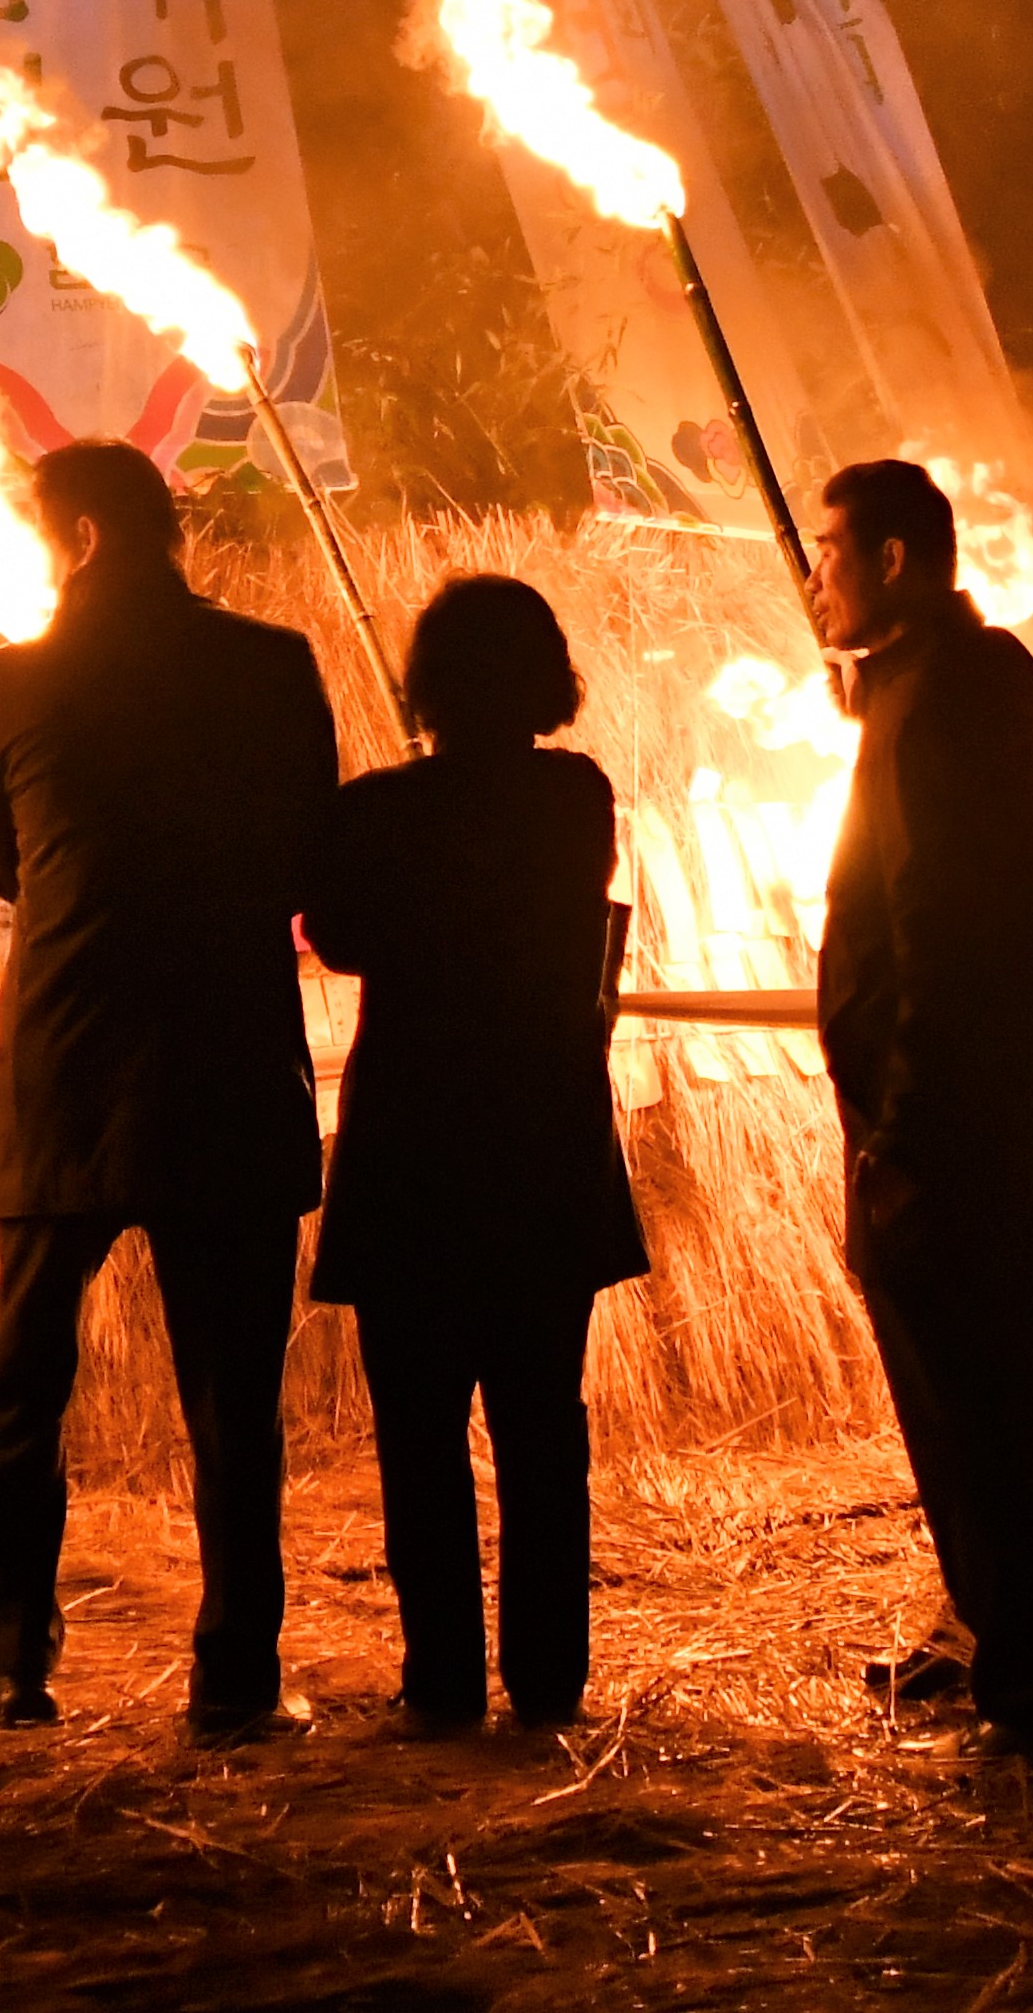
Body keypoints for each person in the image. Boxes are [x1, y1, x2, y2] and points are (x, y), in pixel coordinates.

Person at [0, 440, 343, 1736]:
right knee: (233, 1394)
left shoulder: (17, 682)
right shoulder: (269, 666)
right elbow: (312, 852)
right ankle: (236, 1671)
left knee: (25, 1386)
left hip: (68, 1062)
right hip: (224, 1063)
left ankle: (16, 1669)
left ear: (75, 539)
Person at [809, 457, 1033, 1751]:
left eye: (830, 551)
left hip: (957, 1134)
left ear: (895, 559)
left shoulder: (949, 693)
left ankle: (1024, 1673)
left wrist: (901, 1126)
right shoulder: (949, 680)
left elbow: (940, 925)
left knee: (976, 1419)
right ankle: (997, 1638)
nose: (815, 576)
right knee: (980, 1417)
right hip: (974, 1124)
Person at [296, 574, 649, 1732]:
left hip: (416, 1151)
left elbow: (338, 935)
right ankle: (548, 1678)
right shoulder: (576, 797)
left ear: (428, 681)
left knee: (420, 1434)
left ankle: (442, 1680)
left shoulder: (375, 812)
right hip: (544, 1141)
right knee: (544, 1422)